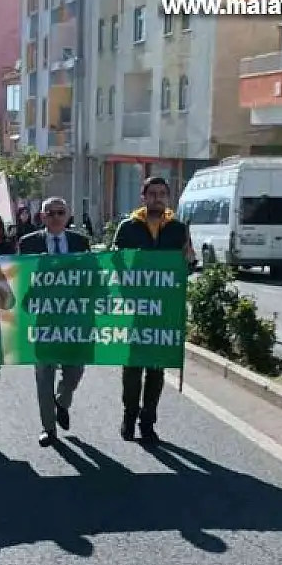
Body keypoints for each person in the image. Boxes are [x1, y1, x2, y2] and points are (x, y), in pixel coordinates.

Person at [112, 176, 191, 445]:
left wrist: (188, 263)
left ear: (167, 198)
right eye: (153, 193)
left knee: (156, 367)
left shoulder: (178, 229)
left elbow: (185, 266)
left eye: (162, 193)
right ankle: (129, 415)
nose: (158, 198)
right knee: (133, 365)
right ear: (143, 197)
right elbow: (116, 263)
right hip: (135, 308)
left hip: (165, 309)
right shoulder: (128, 228)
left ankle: (148, 420)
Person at [17, 196, 91, 447]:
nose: (56, 217)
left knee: (75, 369)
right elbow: (20, 278)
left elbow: (91, 277)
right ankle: (48, 428)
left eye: (61, 212)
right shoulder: (28, 244)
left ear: (68, 216)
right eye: (51, 213)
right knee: (44, 374)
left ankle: (63, 400)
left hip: (74, 319)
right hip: (43, 319)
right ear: (43, 217)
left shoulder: (81, 242)